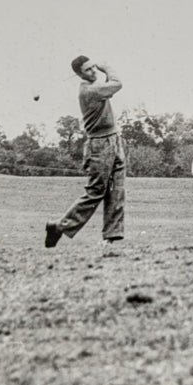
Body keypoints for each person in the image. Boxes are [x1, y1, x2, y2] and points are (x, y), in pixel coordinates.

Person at [45, 56, 126, 247]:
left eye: (93, 68)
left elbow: (109, 89)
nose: (93, 72)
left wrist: (103, 74)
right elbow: (117, 84)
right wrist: (107, 68)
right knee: (96, 191)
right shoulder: (89, 90)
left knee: (117, 190)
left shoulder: (96, 88)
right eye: (88, 70)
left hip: (114, 139)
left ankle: (110, 239)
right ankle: (59, 227)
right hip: (99, 145)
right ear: (79, 75)